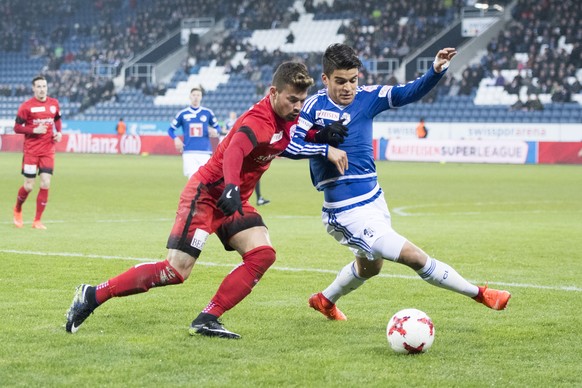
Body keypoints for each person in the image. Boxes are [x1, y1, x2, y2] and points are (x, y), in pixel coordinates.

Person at [65, 62, 348, 338]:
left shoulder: (286, 116)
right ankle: (92, 294)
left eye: (301, 100)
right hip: (207, 196)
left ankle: (208, 318)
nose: (298, 107)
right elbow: (235, 150)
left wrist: (319, 134)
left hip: (232, 200)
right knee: (175, 270)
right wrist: (232, 188)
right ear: (273, 93)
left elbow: (290, 135)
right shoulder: (258, 121)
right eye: (292, 100)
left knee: (262, 254)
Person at [286, 43, 511, 321]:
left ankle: (324, 300)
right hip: (345, 210)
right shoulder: (312, 106)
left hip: (375, 199)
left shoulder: (368, 97)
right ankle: (480, 294)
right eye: (340, 81)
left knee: (370, 268)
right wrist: (323, 145)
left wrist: (436, 71)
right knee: (413, 256)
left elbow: (407, 92)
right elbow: (290, 146)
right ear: (325, 79)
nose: (348, 88)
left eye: (353, 80)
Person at [12, 75, 63, 230]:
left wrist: (59, 132)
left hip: (48, 149)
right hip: (31, 151)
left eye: (44, 86)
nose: (42, 89)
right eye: (39, 86)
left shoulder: (54, 104)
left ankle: (37, 221)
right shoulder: (26, 107)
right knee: (28, 186)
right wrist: (34, 129)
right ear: (33, 88)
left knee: (46, 182)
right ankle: (18, 209)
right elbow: (17, 128)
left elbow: (57, 119)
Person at [168, 86, 221, 178]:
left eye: (198, 95)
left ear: (201, 97)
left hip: (204, 152)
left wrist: (215, 131)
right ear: (190, 96)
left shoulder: (207, 113)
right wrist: (176, 138)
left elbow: (218, 128)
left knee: (206, 180)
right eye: (194, 95)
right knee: (193, 180)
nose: (196, 97)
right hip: (189, 152)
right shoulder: (183, 114)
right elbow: (170, 130)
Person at [225, 110, 270, 206]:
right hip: (237, 152)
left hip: (244, 152)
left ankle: (256, 198)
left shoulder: (245, 121)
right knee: (240, 175)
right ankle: (234, 198)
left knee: (252, 176)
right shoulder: (234, 122)